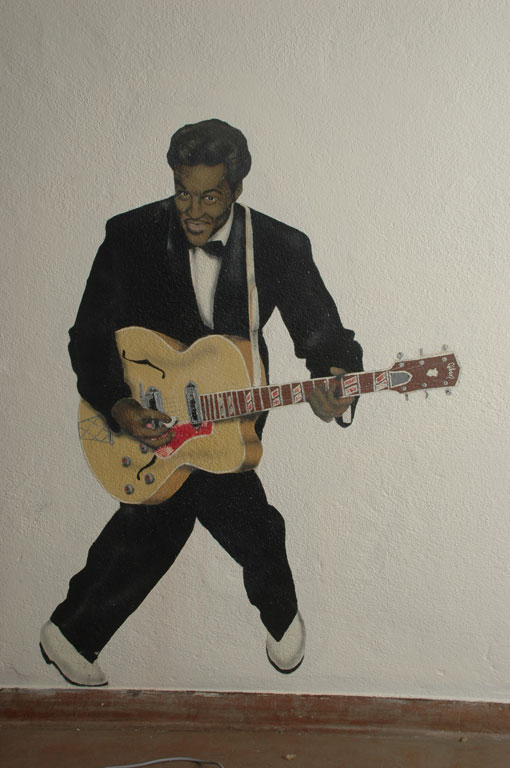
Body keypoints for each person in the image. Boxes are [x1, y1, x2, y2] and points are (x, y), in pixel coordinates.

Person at [40, 119, 363, 686]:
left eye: (210, 197)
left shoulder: (279, 245)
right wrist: (120, 406)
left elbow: (325, 336)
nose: (192, 211)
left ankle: (71, 632)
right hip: (147, 415)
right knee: (236, 522)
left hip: (232, 418)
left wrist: (335, 384)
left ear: (237, 188)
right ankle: (278, 613)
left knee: (169, 520)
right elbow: (88, 336)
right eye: (182, 192)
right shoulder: (130, 235)